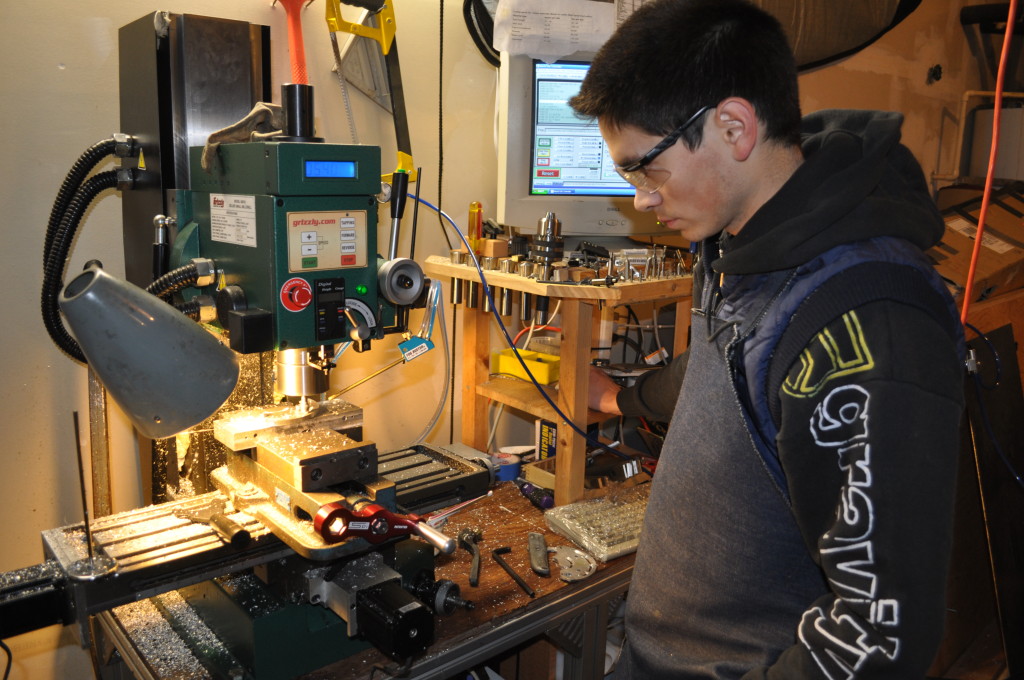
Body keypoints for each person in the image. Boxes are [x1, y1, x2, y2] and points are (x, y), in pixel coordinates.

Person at [570, 1, 966, 678]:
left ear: (733, 126)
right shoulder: (740, 239)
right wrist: (623, 400)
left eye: (645, 167)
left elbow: (879, 636)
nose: (639, 198)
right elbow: (733, 366)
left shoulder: (870, 324)